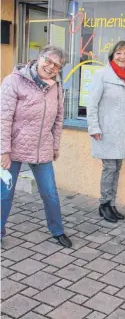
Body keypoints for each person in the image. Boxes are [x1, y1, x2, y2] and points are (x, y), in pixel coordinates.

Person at [1, 45, 72, 248]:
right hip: (12, 148)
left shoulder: (56, 86)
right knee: (4, 193)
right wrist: (3, 150)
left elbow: (58, 119)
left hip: (42, 147)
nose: (51, 67)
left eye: (57, 65)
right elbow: (3, 119)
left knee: (49, 192)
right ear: (39, 58)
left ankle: (57, 230)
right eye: (48, 61)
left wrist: (55, 146)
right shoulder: (13, 81)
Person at [87, 41, 125, 223]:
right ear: (112, 55)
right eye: (119, 53)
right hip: (105, 131)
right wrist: (94, 128)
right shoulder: (102, 75)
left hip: (123, 132)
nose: (123, 57)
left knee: (117, 168)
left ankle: (111, 204)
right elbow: (92, 105)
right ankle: (104, 204)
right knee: (109, 168)